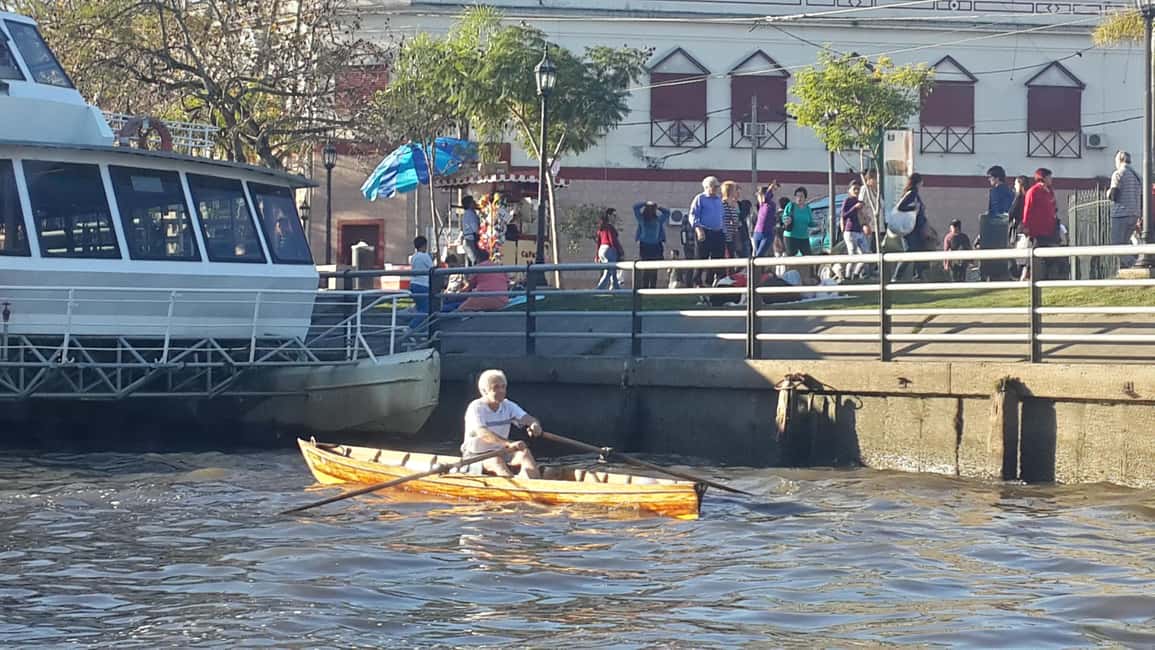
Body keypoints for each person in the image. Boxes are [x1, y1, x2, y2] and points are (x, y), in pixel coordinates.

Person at [461, 369, 543, 479]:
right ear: (484, 391)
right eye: (496, 387)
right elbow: (483, 433)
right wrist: (508, 444)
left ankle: (536, 485)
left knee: (524, 453)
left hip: (502, 451)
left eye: (503, 387)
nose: (501, 391)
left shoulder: (508, 405)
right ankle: (516, 491)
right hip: (476, 455)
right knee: (496, 461)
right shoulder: (476, 407)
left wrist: (534, 425)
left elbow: (528, 419)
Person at [1022, 168, 1060, 280]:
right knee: (1036, 251)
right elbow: (1027, 208)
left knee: (1048, 253)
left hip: (1049, 227)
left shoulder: (1049, 191)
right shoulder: (1033, 191)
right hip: (1037, 228)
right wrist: (1026, 225)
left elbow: (1053, 208)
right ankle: (1028, 274)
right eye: (1049, 177)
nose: (1051, 180)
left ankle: (1045, 275)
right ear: (1043, 178)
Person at [890, 173, 928, 283]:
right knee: (909, 251)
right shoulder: (912, 193)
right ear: (918, 182)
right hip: (910, 229)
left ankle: (919, 274)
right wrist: (913, 208)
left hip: (916, 228)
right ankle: (897, 276)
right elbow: (900, 206)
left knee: (918, 250)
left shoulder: (914, 194)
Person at [689, 176, 726, 288]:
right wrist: (698, 229)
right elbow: (693, 215)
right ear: (707, 187)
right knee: (701, 257)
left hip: (718, 232)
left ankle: (713, 281)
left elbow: (722, 216)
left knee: (718, 258)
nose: (716, 189)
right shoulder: (700, 198)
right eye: (714, 186)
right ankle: (697, 282)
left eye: (717, 187)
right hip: (704, 231)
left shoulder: (719, 199)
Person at [1109, 150, 1142, 267]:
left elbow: (1114, 195)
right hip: (1134, 214)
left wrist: (1108, 193)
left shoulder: (1118, 173)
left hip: (1121, 214)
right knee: (1125, 244)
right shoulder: (1137, 176)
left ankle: (1135, 264)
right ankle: (1132, 264)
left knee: (1116, 246)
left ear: (1119, 160)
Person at [634, 200, 670, 289]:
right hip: (655, 246)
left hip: (645, 245)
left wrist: (645, 203)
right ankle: (652, 287)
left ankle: (645, 287)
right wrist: (658, 207)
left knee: (646, 267)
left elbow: (635, 207)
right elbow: (667, 212)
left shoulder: (642, 219)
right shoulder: (658, 220)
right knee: (653, 268)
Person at [841, 180, 867, 280]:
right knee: (852, 254)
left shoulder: (860, 201)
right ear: (849, 190)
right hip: (850, 231)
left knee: (866, 254)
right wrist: (854, 207)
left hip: (860, 231)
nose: (856, 191)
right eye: (854, 189)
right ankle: (847, 276)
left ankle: (856, 273)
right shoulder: (848, 201)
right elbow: (844, 214)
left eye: (858, 189)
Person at [594, 208, 625, 290]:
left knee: (613, 270)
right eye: (614, 215)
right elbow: (613, 240)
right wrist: (620, 251)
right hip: (609, 249)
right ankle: (599, 289)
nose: (615, 217)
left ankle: (616, 287)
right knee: (608, 271)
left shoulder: (602, 228)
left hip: (602, 249)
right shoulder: (609, 227)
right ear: (609, 215)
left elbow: (599, 242)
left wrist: (597, 256)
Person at [781, 186, 813, 258]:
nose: (799, 198)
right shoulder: (791, 206)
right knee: (790, 257)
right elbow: (784, 217)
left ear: (805, 198)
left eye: (801, 196)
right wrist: (787, 220)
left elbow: (810, 222)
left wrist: (818, 225)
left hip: (804, 237)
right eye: (797, 196)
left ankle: (809, 269)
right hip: (791, 236)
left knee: (809, 257)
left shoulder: (808, 208)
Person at [408, 235, 434, 315]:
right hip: (423, 284)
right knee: (425, 310)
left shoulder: (413, 257)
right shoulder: (425, 256)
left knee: (419, 308)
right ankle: (413, 326)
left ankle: (418, 324)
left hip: (413, 284)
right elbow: (432, 268)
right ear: (424, 245)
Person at [751, 182, 778, 258]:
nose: (758, 197)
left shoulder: (770, 204)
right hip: (757, 233)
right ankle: (756, 269)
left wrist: (770, 188)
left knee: (759, 255)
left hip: (767, 234)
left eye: (760, 195)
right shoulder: (761, 205)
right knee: (756, 254)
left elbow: (767, 197)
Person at [721, 181, 742, 258]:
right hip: (724, 238)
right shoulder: (722, 205)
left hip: (732, 237)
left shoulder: (734, 205)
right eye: (735, 190)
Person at [460, 195, 482, 265]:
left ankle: (469, 275)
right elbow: (475, 229)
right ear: (469, 204)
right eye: (473, 202)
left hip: (467, 239)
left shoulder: (466, 214)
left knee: (469, 261)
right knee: (474, 260)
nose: (475, 203)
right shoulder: (470, 214)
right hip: (471, 240)